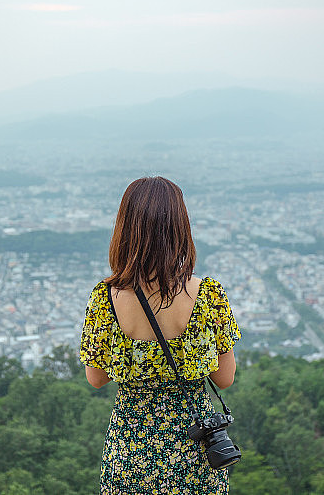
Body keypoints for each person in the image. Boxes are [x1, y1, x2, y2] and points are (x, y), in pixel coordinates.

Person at [79, 176, 241, 494]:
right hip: (195, 448)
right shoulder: (208, 294)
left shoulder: (105, 297)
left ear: (125, 229)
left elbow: (95, 378)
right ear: (179, 228)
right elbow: (224, 378)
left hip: (129, 450)